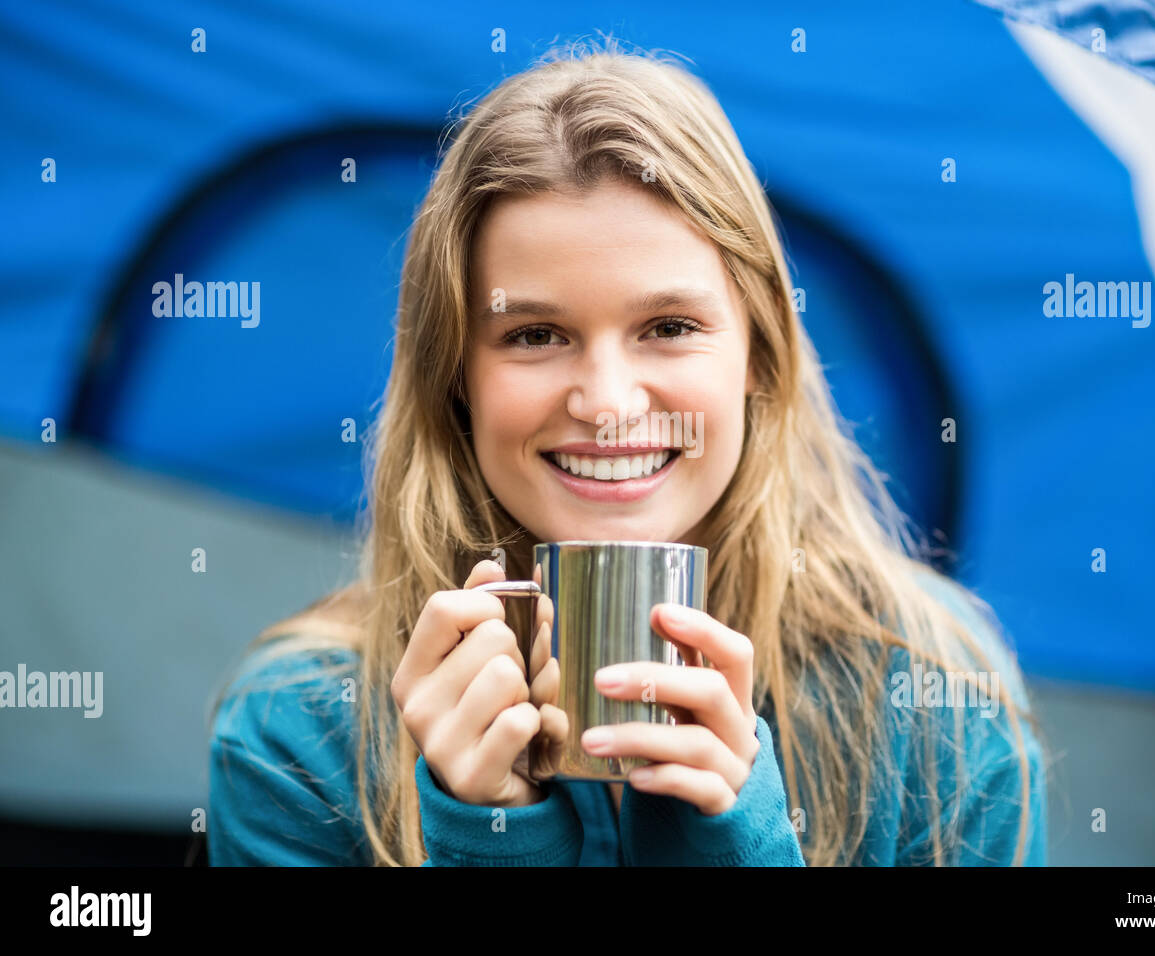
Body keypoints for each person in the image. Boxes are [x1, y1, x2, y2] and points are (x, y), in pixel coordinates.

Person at [207, 39, 1049, 867]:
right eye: (535, 334)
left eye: (669, 328)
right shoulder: (296, 737)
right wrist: (493, 840)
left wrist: (738, 850)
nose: (607, 405)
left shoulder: (937, 701)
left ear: (759, 353)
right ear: (454, 376)